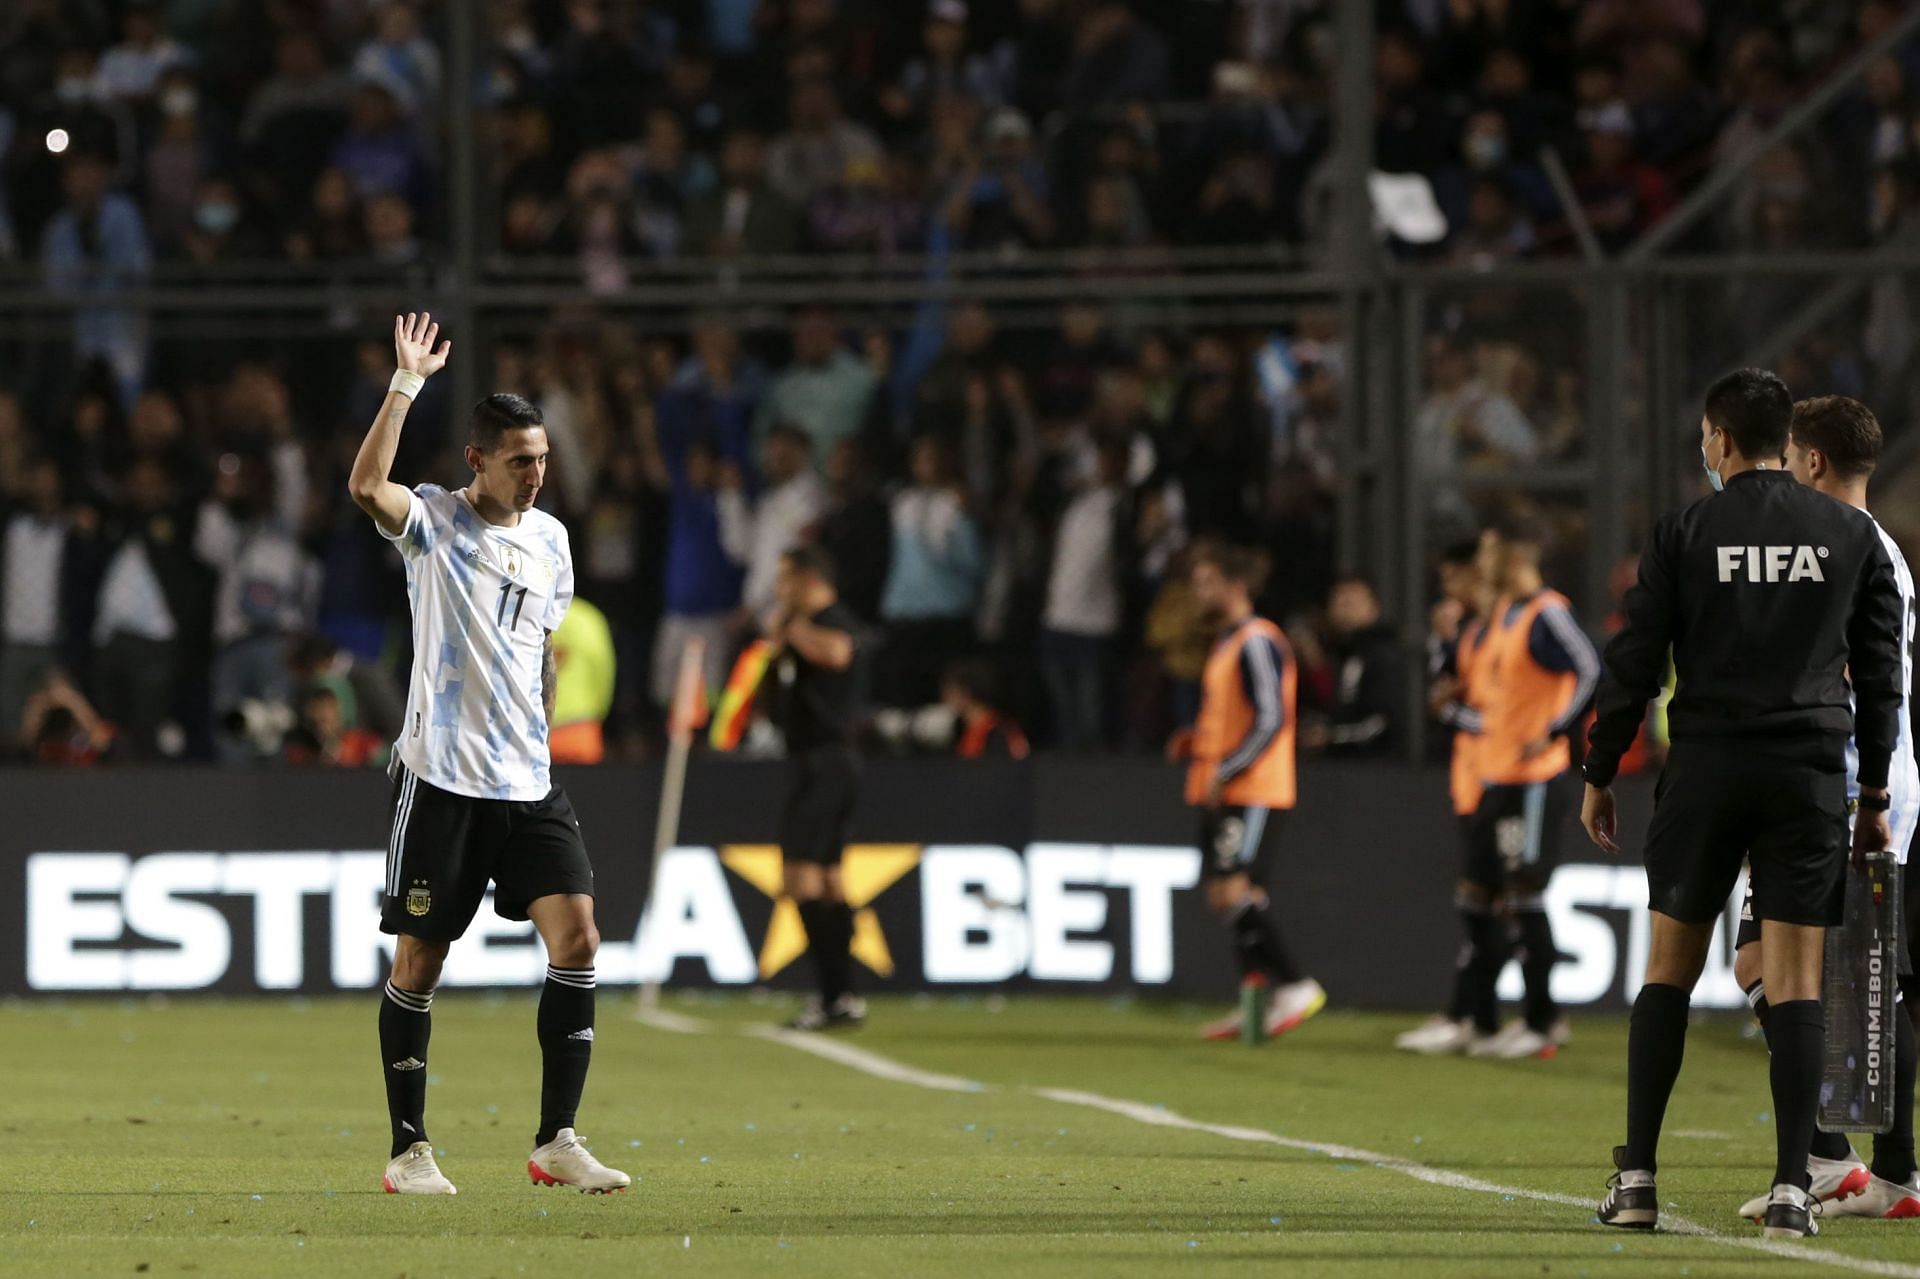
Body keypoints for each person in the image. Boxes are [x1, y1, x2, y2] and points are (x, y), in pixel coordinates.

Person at [1585, 369, 1905, 1239]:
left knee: (1669, 970)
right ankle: (1797, 1188)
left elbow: (1634, 659)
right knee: (1797, 981)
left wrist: (1600, 766)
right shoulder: (1852, 534)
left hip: (1709, 768)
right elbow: (1882, 680)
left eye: (1703, 436)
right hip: (1806, 774)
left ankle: (1639, 1179)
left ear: (1721, 440)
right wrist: (1872, 790)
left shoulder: (1686, 530)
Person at [347, 312, 628, 1197]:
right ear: (478, 461)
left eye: (542, 457)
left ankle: (557, 1139)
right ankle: (408, 1151)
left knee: (578, 936)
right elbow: (365, 486)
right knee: (419, 963)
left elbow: (539, 645)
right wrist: (405, 385)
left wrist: (539, 723)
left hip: (529, 782)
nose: (537, 473)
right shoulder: (433, 521)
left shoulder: (551, 540)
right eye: (520, 459)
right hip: (443, 783)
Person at [1730, 395, 1920, 1221]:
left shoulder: (1843, 548)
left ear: (1810, 462)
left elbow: (1842, 673)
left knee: (1856, 984)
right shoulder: (1882, 547)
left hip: (1844, 787)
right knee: (1781, 968)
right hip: (1863, 782)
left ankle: (1877, 1169)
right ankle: (1852, 1162)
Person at [1455, 516, 1598, 1060]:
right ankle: (1483, 1018)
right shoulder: (1508, 617)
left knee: (1524, 895)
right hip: (1498, 775)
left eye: (1492, 553)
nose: (1482, 565)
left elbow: (1590, 669)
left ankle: (1542, 1020)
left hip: (1535, 780)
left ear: (1516, 558)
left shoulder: (1547, 612)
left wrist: (1556, 731)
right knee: (1475, 897)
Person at [1179, 544, 1325, 1042]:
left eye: (1205, 582)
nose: (1197, 593)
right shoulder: (1228, 642)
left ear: (1234, 586)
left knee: (1234, 889)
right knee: (1228, 896)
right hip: (1223, 786)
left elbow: (1271, 716)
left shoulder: (1258, 640)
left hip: (1254, 788)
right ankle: (1255, 1001)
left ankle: (1297, 985)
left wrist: (1231, 765)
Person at [1398, 537, 1501, 1054]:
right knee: (1485, 904)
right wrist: (1442, 644)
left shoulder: (1509, 628)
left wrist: (1453, 714)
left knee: (1493, 903)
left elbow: (1502, 719)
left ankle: (1477, 1016)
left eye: (1451, 579)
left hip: (1502, 779)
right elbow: (1448, 689)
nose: (1447, 590)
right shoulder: (1476, 633)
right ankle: (1477, 1017)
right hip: (1473, 781)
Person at [764, 546, 867, 1032]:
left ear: (808, 580)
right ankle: (841, 996)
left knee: (798, 878)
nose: (779, 590)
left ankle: (831, 996)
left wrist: (790, 629)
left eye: (785, 580)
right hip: (819, 762)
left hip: (827, 762)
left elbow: (839, 651)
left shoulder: (831, 620)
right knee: (828, 880)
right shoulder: (804, 628)